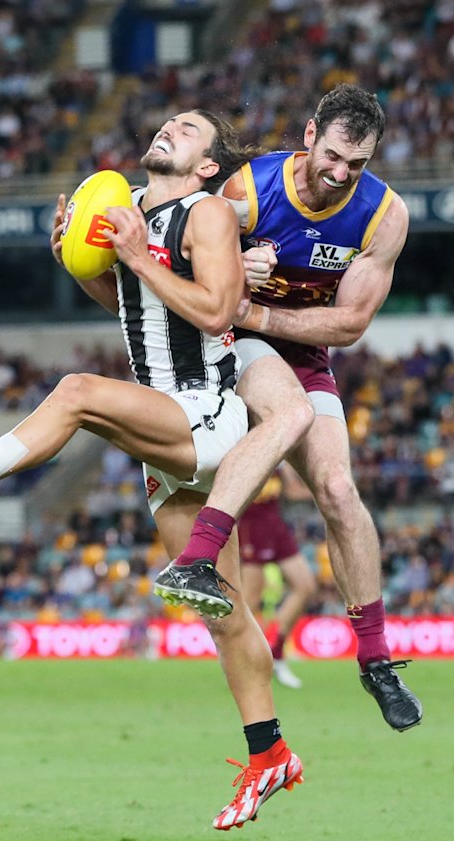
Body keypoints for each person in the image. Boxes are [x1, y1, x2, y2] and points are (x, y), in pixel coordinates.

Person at [0, 110, 302, 831]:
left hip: (206, 411)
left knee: (76, 392)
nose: (170, 127)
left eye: (189, 129)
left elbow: (222, 308)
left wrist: (137, 256)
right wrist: (82, 262)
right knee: (221, 609)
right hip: (164, 427)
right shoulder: (129, 210)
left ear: (206, 166)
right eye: (169, 120)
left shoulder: (209, 214)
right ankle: (271, 753)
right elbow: (138, 311)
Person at [155, 84, 423, 732]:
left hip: (301, 350)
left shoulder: (384, 215)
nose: (340, 174)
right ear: (310, 135)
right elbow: (184, 264)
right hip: (232, 341)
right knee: (289, 416)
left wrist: (262, 307)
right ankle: (197, 556)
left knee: (336, 486)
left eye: (355, 166)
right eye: (332, 155)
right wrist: (231, 270)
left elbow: (351, 321)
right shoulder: (247, 190)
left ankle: (376, 659)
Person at [238, 464, 317, 689]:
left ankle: (277, 650)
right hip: (251, 527)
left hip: (275, 525)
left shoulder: (279, 449)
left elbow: (292, 491)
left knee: (306, 587)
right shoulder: (242, 446)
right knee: (250, 600)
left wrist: (327, 488)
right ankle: (248, 661)